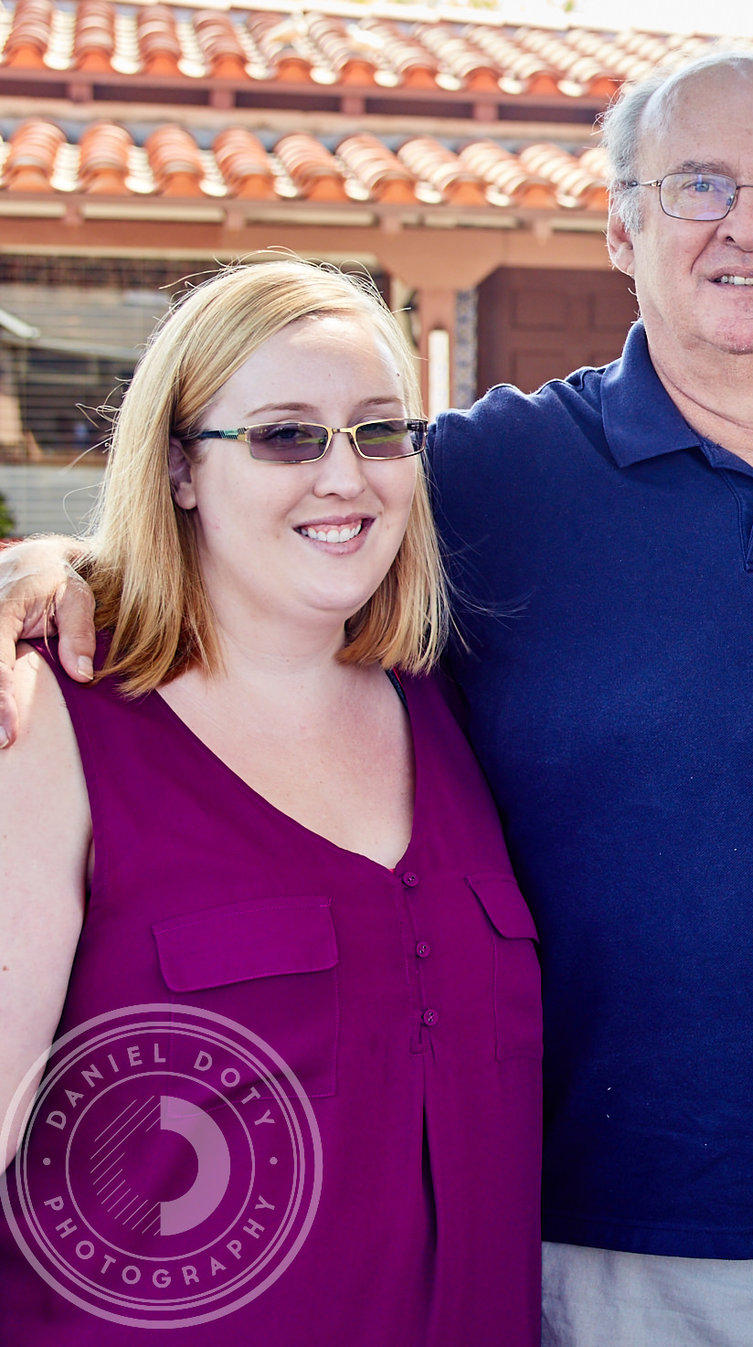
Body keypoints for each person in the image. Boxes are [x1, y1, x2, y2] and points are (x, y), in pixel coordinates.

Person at [0, 49, 753, 1346]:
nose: (746, 222)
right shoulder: (488, 474)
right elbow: (291, 521)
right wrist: (59, 568)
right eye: (698, 184)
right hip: (600, 1245)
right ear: (621, 224)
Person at [0, 260, 538, 1342]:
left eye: (380, 431)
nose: (346, 475)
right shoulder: (55, 719)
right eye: (287, 435)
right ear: (182, 469)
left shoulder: (458, 706)